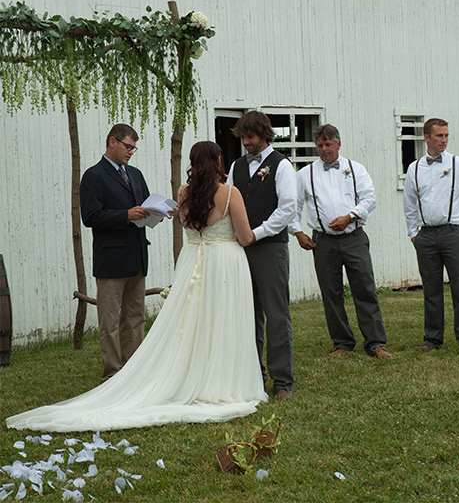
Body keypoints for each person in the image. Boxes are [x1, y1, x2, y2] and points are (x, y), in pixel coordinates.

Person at [7, 141, 267, 432]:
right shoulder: (230, 193)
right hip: (225, 262)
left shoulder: (184, 193)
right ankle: (221, 380)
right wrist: (266, 230)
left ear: (194, 163)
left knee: (193, 320)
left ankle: (192, 375)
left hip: (193, 259)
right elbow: (244, 237)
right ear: (219, 160)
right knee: (223, 320)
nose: (131, 150)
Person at [291, 124, 392, 359]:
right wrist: (297, 233)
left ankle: (376, 344)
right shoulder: (305, 174)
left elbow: (369, 198)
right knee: (331, 292)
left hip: (354, 238)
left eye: (328, 144)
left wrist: (350, 216)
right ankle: (342, 342)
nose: (324, 149)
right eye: (320, 145)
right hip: (322, 242)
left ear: (338, 144)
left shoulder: (356, 169)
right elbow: (293, 207)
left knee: (365, 289)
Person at [228, 111, 297, 399]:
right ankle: (254, 375)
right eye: (243, 137)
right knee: (248, 313)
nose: (246, 143)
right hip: (241, 248)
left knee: (276, 313)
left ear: (265, 135)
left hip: (270, 247)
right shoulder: (236, 167)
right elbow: (229, 201)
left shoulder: (281, 166)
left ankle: (282, 381)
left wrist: (258, 232)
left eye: (251, 137)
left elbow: (288, 208)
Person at [79, 123, 151, 381]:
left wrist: (157, 212)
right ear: (112, 142)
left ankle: (134, 371)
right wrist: (125, 215)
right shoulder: (93, 176)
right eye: (127, 146)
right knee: (110, 320)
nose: (131, 152)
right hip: (111, 259)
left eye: (134, 148)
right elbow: (90, 216)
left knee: (135, 317)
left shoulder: (136, 174)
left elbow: (143, 205)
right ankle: (113, 374)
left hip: (137, 256)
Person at [403, 117, 459, 354]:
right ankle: (432, 340)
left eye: (446, 135)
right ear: (426, 138)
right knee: (431, 289)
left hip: (454, 234)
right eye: (439, 135)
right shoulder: (414, 168)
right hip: (426, 237)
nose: (444, 140)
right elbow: (410, 205)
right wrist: (414, 234)